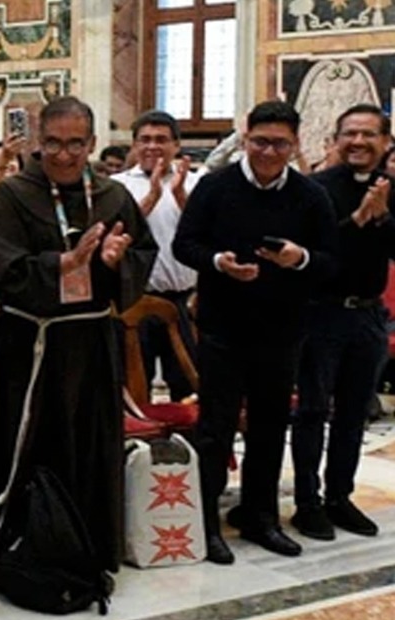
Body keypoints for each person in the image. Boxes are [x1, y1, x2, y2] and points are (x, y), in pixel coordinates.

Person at [0, 96, 157, 575]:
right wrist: (63, 264)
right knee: (27, 442)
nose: (64, 155)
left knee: (89, 444)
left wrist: (114, 263)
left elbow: (143, 253)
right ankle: (20, 547)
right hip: (29, 344)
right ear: (39, 141)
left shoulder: (113, 196)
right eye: (53, 143)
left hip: (90, 341)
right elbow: (4, 270)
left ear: (91, 143)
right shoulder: (13, 195)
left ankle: (90, 547)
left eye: (75, 144)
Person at [173, 100, 338, 564]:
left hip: (282, 330)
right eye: (260, 142)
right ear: (245, 140)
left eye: (279, 144)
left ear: (294, 145)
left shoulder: (310, 195)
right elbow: (185, 244)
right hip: (223, 328)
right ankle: (206, 522)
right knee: (216, 428)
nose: (268, 152)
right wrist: (217, 262)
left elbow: (330, 260)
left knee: (269, 426)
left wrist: (299, 259)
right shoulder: (215, 186)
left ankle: (260, 516)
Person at [290, 104, 394, 541]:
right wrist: (358, 220)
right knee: (312, 410)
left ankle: (340, 496)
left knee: (354, 412)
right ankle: (307, 502)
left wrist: (382, 216)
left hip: (368, 315)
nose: (358, 142)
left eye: (369, 134)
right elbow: (314, 256)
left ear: (386, 142)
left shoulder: (390, 189)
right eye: (350, 133)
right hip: (322, 313)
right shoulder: (315, 189)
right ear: (335, 140)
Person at [112, 110, 200, 401]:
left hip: (183, 302)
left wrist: (181, 198)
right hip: (134, 301)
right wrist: (150, 198)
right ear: (134, 145)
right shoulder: (117, 186)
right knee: (133, 388)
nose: (152, 146)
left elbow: (208, 232)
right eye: (145, 139)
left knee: (189, 388)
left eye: (161, 140)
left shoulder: (195, 182)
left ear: (176, 145)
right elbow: (116, 233)